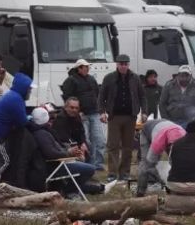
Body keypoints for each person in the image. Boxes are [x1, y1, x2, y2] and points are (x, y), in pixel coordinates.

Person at [28, 107, 104, 196]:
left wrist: (68, 150)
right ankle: (68, 190)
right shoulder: (42, 134)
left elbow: (54, 149)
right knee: (90, 169)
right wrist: (68, 153)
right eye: (50, 117)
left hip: (58, 163)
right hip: (55, 166)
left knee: (83, 164)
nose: (52, 119)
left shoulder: (42, 131)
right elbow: (51, 154)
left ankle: (94, 189)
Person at [99, 54, 147, 182]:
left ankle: (125, 173)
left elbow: (142, 96)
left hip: (130, 116)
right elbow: (101, 96)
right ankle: (112, 173)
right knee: (113, 145)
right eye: (121, 64)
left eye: (126, 64)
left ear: (128, 65)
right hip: (114, 116)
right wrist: (102, 112)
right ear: (117, 64)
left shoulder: (135, 78)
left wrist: (144, 112)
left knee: (128, 146)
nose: (123, 66)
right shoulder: (109, 78)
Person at [61, 59, 104, 169]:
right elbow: (67, 97)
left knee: (99, 139)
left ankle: (97, 164)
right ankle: (89, 164)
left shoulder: (91, 79)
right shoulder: (70, 80)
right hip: (81, 114)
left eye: (88, 66)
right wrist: (76, 112)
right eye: (85, 67)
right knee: (86, 141)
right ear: (79, 68)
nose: (87, 68)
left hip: (95, 112)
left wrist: (101, 110)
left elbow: (98, 94)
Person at [0, 73, 32, 184]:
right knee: (4, 160)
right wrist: (31, 119)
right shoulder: (16, 99)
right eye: (29, 89)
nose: (30, 91)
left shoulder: (11, 95)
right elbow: (23, 122)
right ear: (23, 88)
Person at [136, 119, 186, 197]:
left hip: (165, 127)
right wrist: (163, 179)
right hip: (147, 131)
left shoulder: (184, 136)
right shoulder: (159, 140)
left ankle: (173, 190)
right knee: (146, 163)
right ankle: (140, 192)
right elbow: (150, 161)